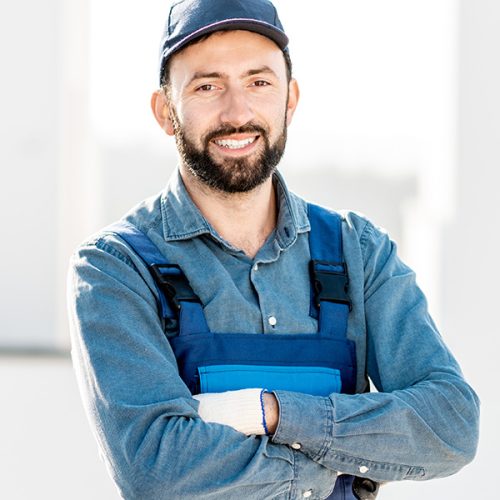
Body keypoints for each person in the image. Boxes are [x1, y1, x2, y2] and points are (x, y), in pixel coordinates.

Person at [67, 1, 480, 499]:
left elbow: (450, 426)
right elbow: (156, 470)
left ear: (290, 99)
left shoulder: (359, 252)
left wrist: (271, 412)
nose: (237, 112)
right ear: (165, 112)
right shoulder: (115, 268)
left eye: (259, 82)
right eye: (207, 86)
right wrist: (342, 463)